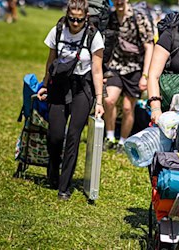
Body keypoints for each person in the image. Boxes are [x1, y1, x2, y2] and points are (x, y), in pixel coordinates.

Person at [37, 0, 105, 200]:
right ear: (67, 16)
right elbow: (51, 61)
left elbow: (97, 69)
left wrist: (99, 101)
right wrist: (44, 84)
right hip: (59, 85)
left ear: (86, 18)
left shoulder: (94, 36)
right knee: (55, 135)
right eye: (72, 19)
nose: (75, 24)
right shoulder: (57, 31)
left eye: (80, 20)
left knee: (74, 136)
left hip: (82, 88)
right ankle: (53, 169)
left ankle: (64, 187)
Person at [102, 0, 154, 153]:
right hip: (116, 66)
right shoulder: (111, 17)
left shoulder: (139, 17)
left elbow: (149, 46)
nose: (118, 2)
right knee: (109, 100)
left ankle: (123, 142)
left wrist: (145, 75)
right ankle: (110, 137)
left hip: (136, 68)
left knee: (127, 107)